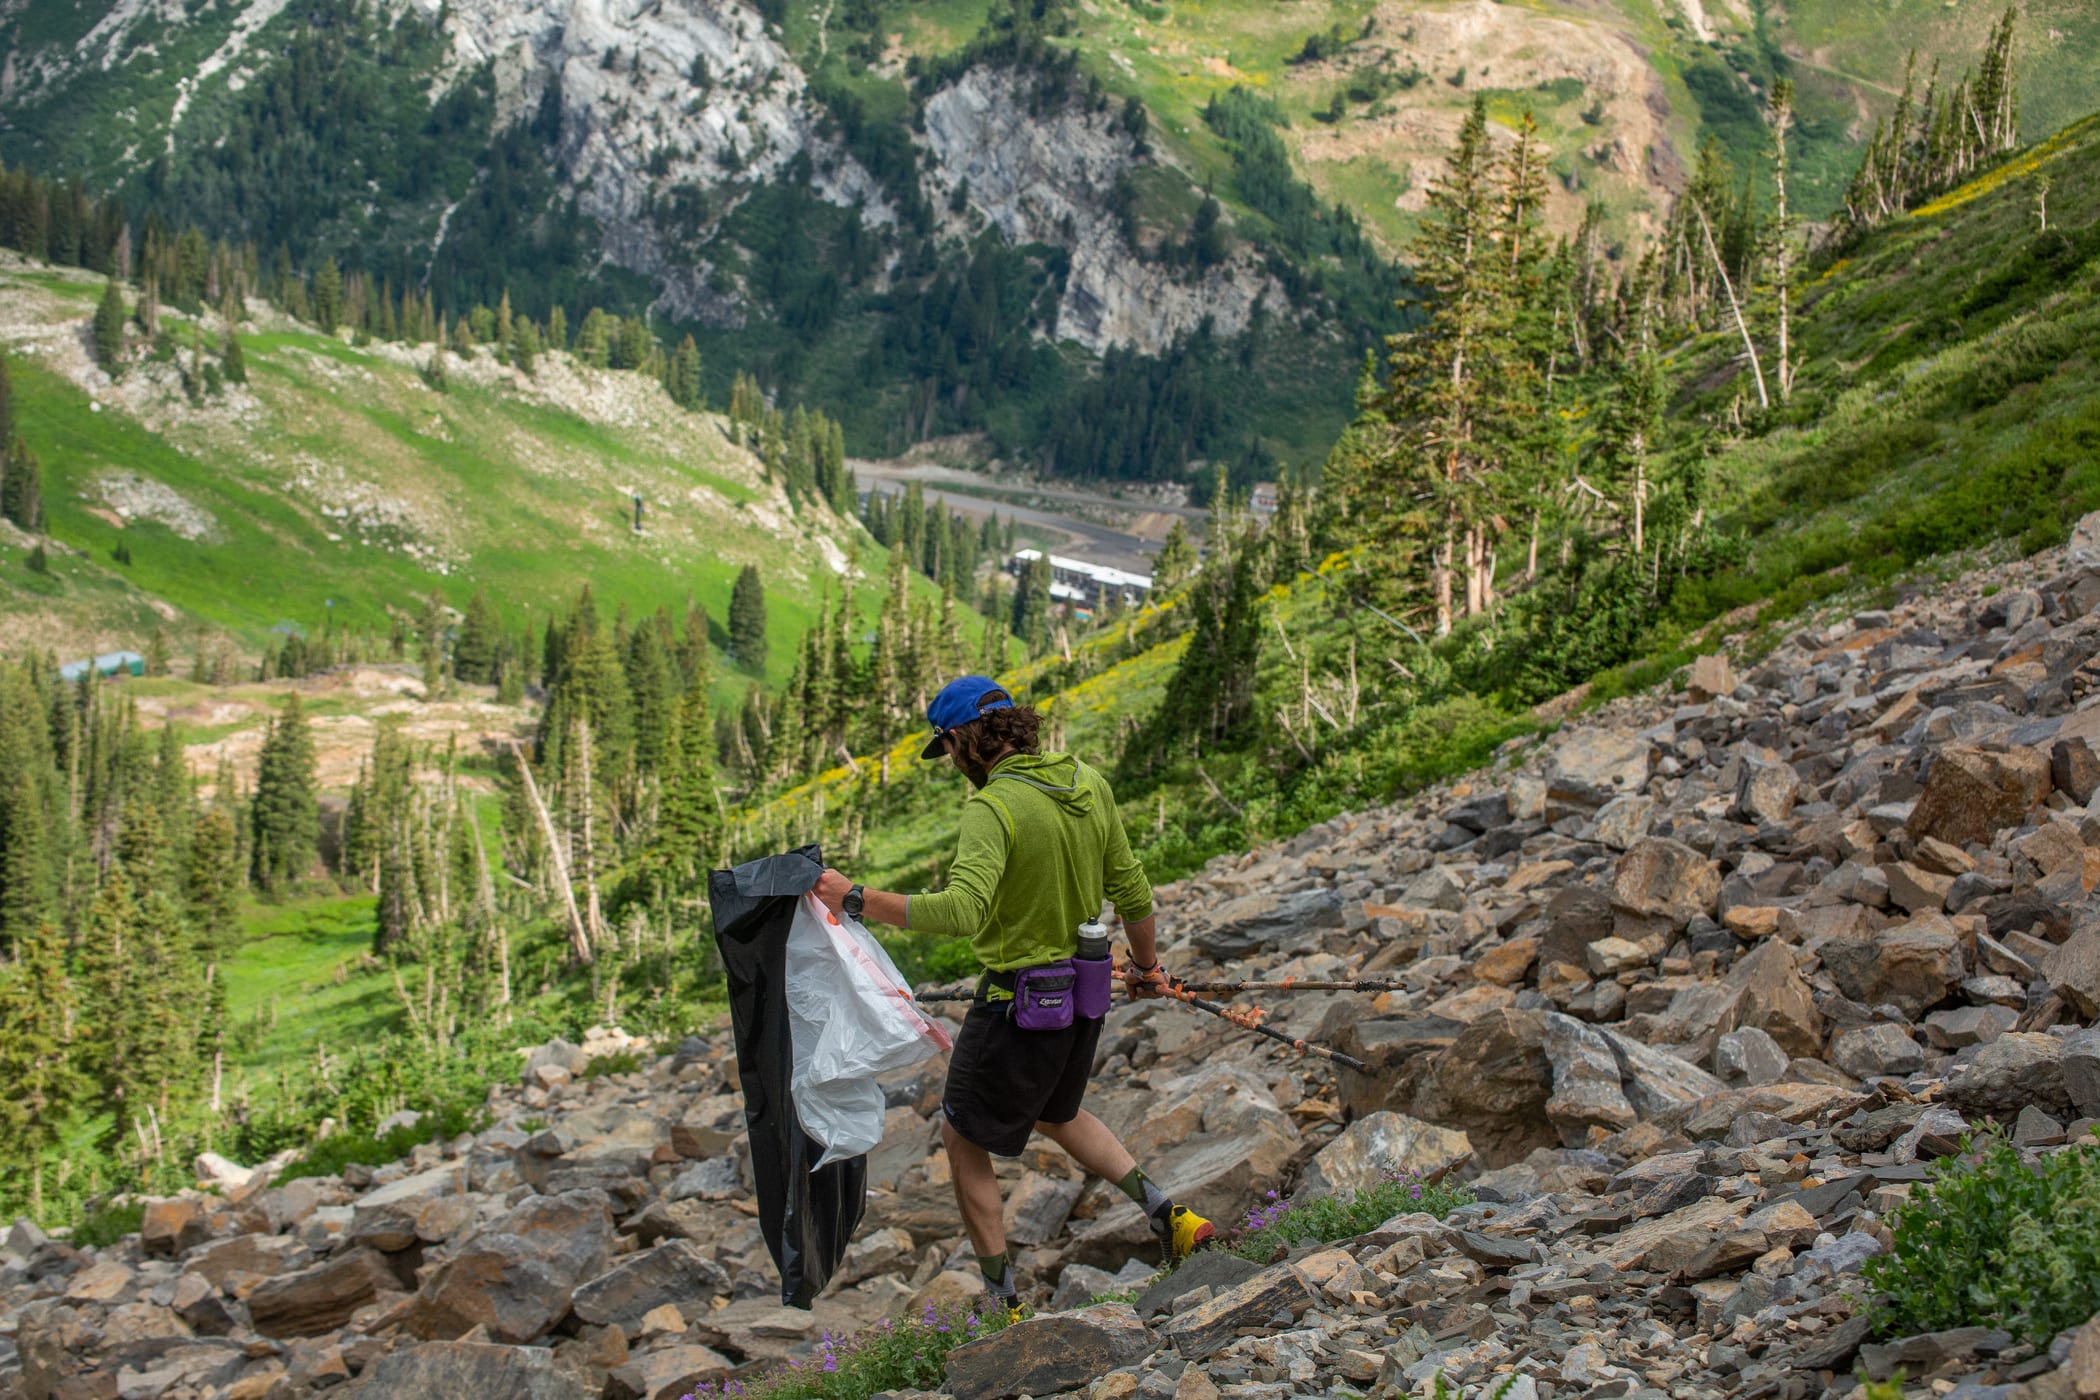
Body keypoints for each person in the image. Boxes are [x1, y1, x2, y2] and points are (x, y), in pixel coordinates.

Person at [813, 675, 1213, 1310]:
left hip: (1015, 1004)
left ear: (964, 740)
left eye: (945, 749)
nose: (949, 764)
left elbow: (965, 909)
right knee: (1057, 1114)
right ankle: (1174, 1220)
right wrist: (1146, 966)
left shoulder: (993, 807)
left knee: (961, 1136)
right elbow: (1133, 889)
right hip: (1084, 995)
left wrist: (855, 900)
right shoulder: (1085, 780)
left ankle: (1004, 1304)